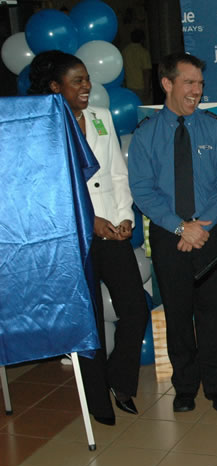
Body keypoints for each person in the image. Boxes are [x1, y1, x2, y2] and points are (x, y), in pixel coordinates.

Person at [28, 50, 148, 426]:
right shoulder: (42, 127)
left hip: (111, 230)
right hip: (72, 237)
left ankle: (121, 380)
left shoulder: (100, 118)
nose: (86, 86)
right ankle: (97, 398)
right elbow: (44, 190)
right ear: (54, 86)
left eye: (86, 79)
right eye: (76, 81)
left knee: (135, 308)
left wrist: (125, 217)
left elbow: (116, 173)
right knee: (89, 320)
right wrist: (89, 220)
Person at [128, 53, 217, 413]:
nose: (197, 91)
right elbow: (143, 190)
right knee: (177, 313)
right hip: (168, 233)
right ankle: (185, 387)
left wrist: (200, 225)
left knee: (212, 311)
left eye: (200, 84)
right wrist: (180, 227)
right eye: (189, 83)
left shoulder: (214, 128)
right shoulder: (146, 134)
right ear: (167, 84)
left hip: (208, 232)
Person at [122, 29, 152, 105]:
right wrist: (147, 89)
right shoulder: (143, 52)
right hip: (141, 87)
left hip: (128, 87)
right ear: (142, 39)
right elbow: (146, 72)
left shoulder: (125, 51)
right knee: (145, 112)